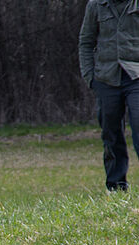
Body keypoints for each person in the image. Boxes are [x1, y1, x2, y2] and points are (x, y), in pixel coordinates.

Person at [79, 0, 139, 192]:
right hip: (106, 78)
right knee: (110, 131)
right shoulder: (96, 5)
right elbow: (86, 42)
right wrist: (90, 77)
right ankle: (116, 186)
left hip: (136, 76)